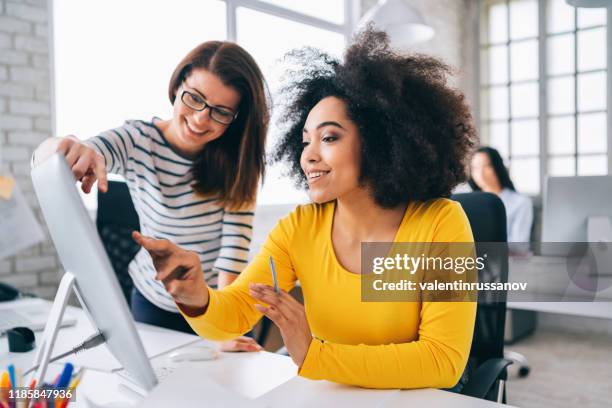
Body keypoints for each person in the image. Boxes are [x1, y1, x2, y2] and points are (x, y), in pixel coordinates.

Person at [134, 27, 478, 389]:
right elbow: (235, 312)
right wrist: (197, 296)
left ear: (380, 142)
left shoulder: (442, 222)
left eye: (329, 137)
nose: (308, 156)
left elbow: (443, 360)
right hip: (333, 395)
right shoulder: (301, 226)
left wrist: (316, 354)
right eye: (304, 141)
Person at [32, 41, 268, 352]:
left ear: (236, 118)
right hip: (151, 299)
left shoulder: (239, 163)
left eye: (220, 112)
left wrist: (222, 324)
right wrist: (64, 147)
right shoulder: (139, 140)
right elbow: (64, 154)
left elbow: (232, 253)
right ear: (177, 85)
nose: (200, 119)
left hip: (208, 304)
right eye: (194, 98)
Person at [469, 147, 534, 244]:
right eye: (475, 168)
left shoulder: (521, 202)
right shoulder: (468, 202)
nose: (480, 173)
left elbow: (520, 245)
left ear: (497, 167)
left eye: (486, 166)